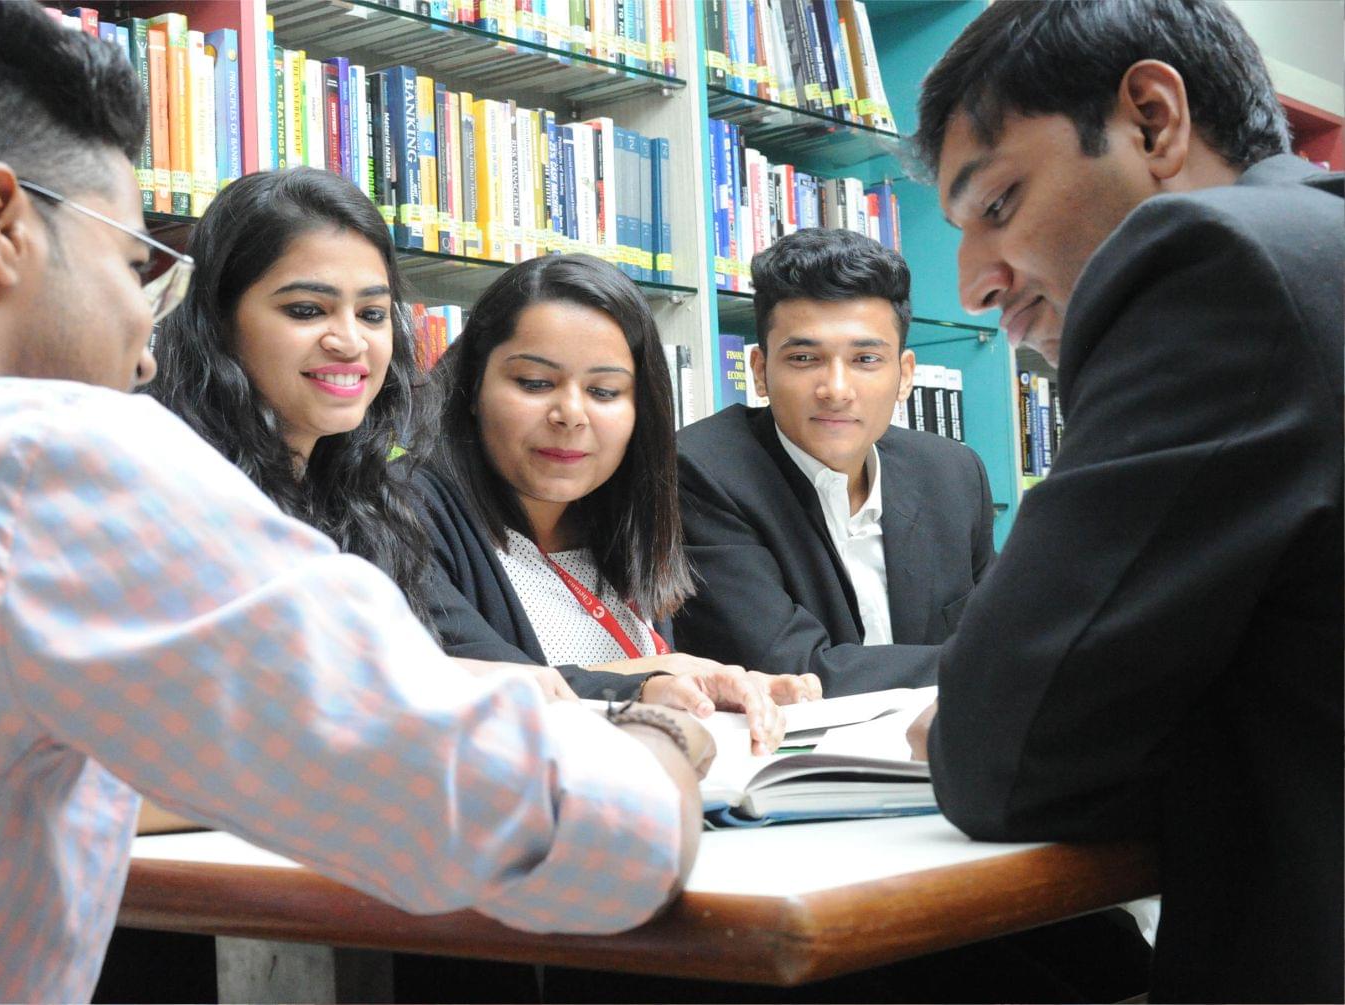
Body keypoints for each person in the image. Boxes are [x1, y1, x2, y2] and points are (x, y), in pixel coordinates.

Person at [0, 4, 713, 1002]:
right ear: (4, 220)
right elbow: (572, 833)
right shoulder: (40, 462)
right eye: (137, 263)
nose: (143, 331)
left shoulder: (366, 494)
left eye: (372, 312)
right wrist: (666, 743)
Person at [906, 1, 1343, 1000]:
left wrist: (960, 723)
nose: (974, 282)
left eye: (999, 203)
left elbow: (1000, 755)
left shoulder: (1215, 264)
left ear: (1151, 119)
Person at [149, 167, 580, 707]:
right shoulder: (172, 488)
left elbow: (468, 662)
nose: (351, 341)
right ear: (216, 318)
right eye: (307, 310)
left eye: (373, 313)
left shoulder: (369, 496)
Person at [399, 253, 822, 754]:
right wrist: (653, 677)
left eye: (604, 391)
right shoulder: (403, 510)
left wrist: (726, 695)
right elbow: (485, 683)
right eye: (534, 383)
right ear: (473, 387)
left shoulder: (625, 520)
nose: (571, 414)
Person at [673, 228, 995, 696]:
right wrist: (992, 663)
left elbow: (1003, 627)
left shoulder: (952, 472)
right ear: (760, 372)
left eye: (866, 359)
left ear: (905, 375)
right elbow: (793, 672)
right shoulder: (700, 472)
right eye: (805, 358)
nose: (836, 389)